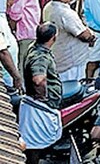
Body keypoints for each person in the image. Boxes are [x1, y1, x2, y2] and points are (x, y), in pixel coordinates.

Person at [21, 24, 62, 164]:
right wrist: (43, 96)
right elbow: (38, 79)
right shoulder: (40, 56)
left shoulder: (34, 47)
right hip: (41, 105)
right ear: (53, 38)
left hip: (36, 101)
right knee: (34, 146)